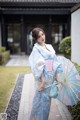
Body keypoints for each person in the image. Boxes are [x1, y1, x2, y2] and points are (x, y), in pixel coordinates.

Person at [29, 27, 63, 120]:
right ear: (36, 38)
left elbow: (55, 62)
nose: (42, 37)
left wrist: (56, 77)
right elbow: (39, 66)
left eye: (42, 34)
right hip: (43, 77)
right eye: (39, 36)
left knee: (47, 102)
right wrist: (43, 82)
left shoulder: (50, 46)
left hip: (51, 76)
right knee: (41, 101)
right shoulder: (36, 49)